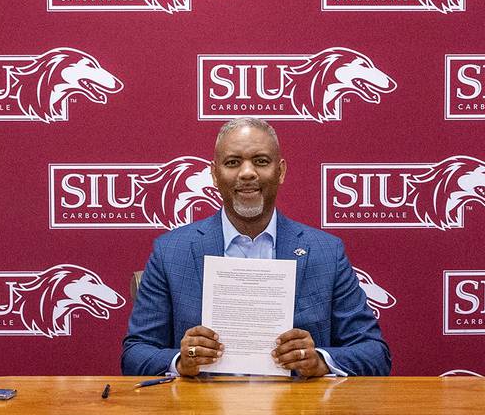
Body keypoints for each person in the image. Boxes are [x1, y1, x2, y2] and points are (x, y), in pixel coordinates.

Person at [122, 117, 390, 378]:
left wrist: (319, 361)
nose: (247, 173)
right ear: (214, 174)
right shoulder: (171, 251)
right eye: (232, 162)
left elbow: (375, 354)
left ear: (281, 171)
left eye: (261, 161)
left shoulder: (325, 252)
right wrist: (181, 361)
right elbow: (134, 354)